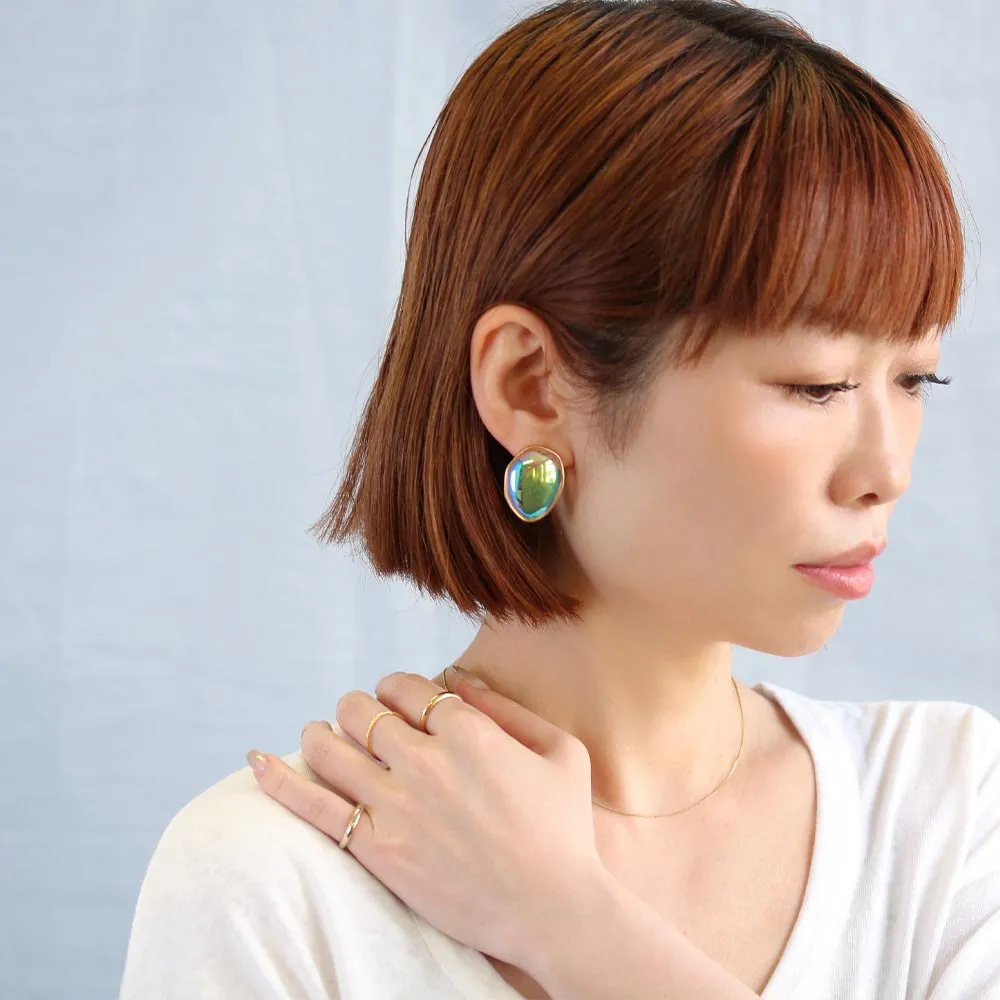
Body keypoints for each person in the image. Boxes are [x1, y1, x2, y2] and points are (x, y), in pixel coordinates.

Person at [120, 1, 1000, 998]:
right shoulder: (272, 884)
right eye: (815, 384)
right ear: (530, 386)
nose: (887, 468)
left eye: (915, 379)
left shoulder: (949, 809)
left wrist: (574, 927)